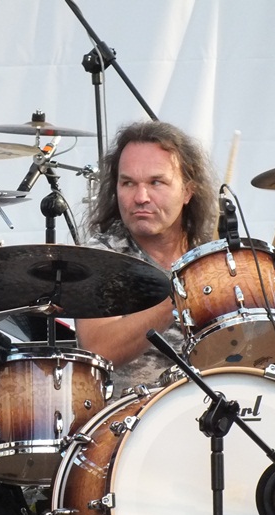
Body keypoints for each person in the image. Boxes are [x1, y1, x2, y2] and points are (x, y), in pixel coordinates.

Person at [75, 119, 219, 393]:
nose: (141, 197)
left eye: (156, 182)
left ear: (188, 191)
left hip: (212, 408)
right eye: (128, 183)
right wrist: (178, 296)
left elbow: (268, 347)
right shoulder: (99, 257)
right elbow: (99, 349)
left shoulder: (213, 256)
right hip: (132, 415)